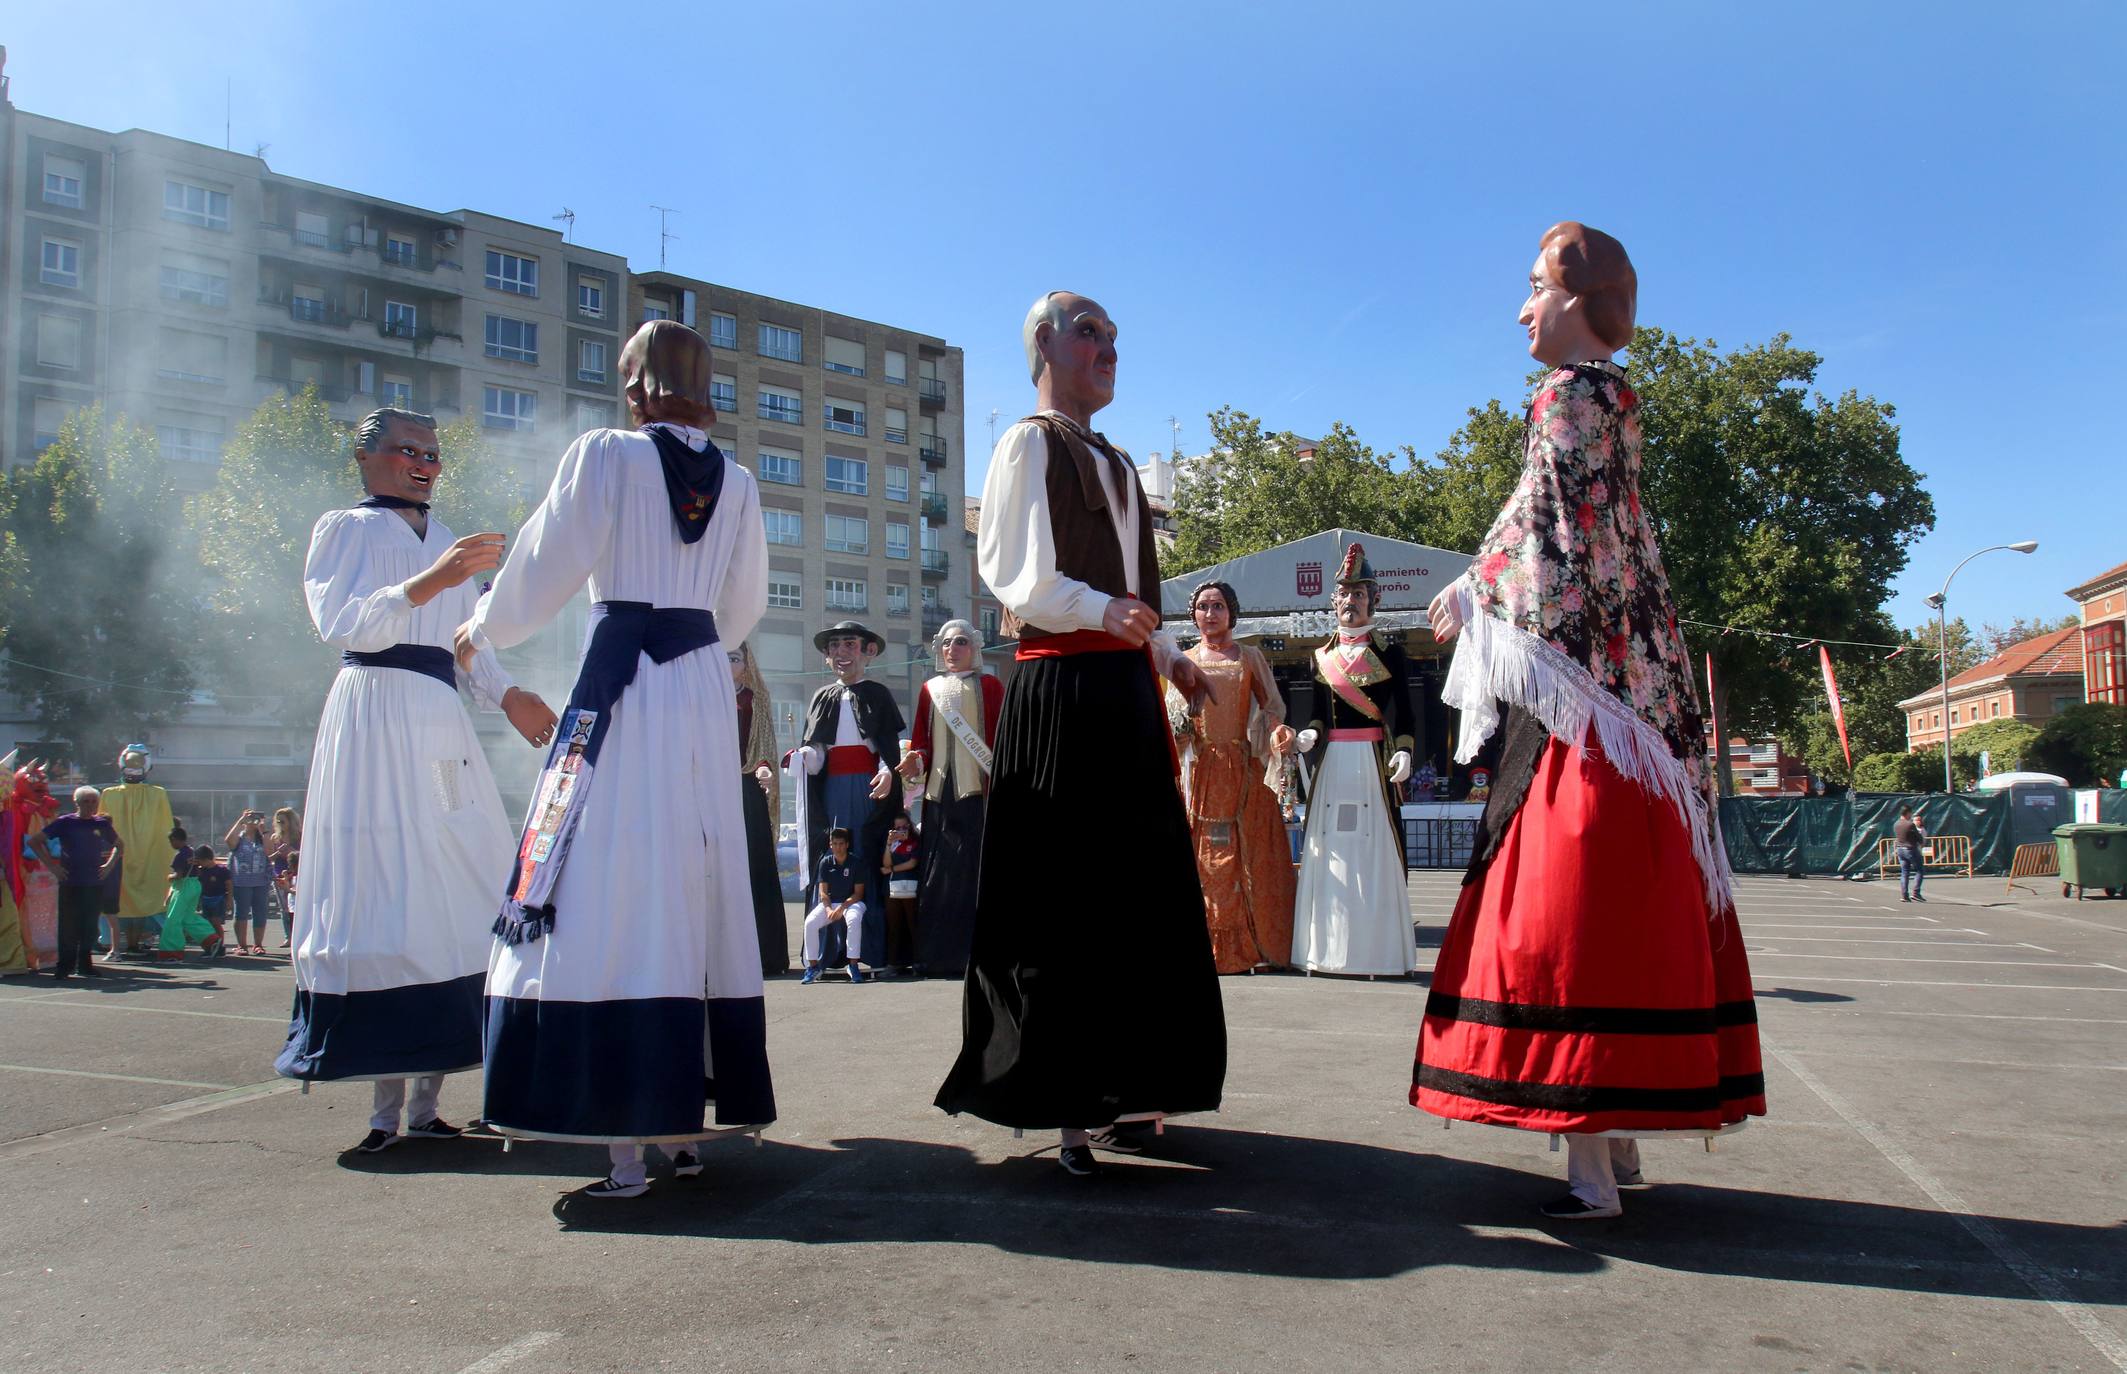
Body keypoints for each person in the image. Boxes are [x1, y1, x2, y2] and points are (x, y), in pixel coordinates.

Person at [1413, 223, 1764, 1219]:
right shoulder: (1616, 400)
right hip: (1640, 692)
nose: (1521, 307)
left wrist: (1477, 598)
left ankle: (1589, 1160)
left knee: (1555, 906)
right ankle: (1615, 1139)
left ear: (1574, 294)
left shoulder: (1567, 395)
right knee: (1621, 893)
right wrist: (1475, 576)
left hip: (1590, 692)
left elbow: (1557, 547)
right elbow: (1551, 523)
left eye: (1533, 285)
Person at [463, 319, 775, 1199]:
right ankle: (683, 1126)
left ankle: (624, 1146)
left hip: (627, 688)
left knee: (601, 878)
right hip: (698, 684)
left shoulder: (606, 454)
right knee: (689, 878)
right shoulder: (743, 483)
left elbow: (538, 570)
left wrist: (483, 629)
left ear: (635, 387)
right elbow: (741, 607)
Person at [935, 291, 1226, 1176]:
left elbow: (1134, 589)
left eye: (1112, 336)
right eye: (1087, 331)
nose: (1106, 346)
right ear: (1043, 345)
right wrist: (1108, 613)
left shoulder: (1119, 460)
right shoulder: (1028, 441)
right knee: (1062, 893)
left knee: (1136, 892)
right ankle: (1064, 1104)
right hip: (1059, 685)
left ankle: (1129, 1089)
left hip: (1123, 689)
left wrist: (1171, 655)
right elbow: (1015, 576)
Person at [276, 406, 551, 1156]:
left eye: (431, 452)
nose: (423, 462)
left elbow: (468, 643)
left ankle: (432, 1102)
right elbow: (346, 625)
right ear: (365, 457)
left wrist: (510, 694)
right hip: (373, 713)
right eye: (406, 450)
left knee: (463, 874)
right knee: (383, 879)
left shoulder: (446, 538)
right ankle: (382, 1113)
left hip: (438, 718)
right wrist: (431, 580)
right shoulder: (348, 528)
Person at [1290, 544, 1419, 977]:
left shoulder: (1390, 654)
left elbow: (1406, 713)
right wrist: (1310, 732)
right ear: (1333, 602)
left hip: (1372, 766)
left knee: (1373, 850)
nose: (1351, 601)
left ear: (1373, 599)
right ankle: (1325, 952)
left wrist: (1403, 748)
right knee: (1333, 853)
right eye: (1344, 594)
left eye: (1359, 594)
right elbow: (1317, 715)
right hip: (1334, 769)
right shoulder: (1320, 657)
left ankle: (1376, 951)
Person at [1169, 581, 1299, 975]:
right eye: (1204, 606)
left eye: (1219, 606)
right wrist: (1180, 729)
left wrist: (1278, 731)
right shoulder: (1183, 659)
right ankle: (1207, 945)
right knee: (1206, 858)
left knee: (1252, 854)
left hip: (1242, 768)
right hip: (1201, 771)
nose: (1211, 613)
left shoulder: (1250, 657)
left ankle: (1253, 944)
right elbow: (1173, 718)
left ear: (1232, 613)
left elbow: (1272, 707)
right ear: (1193, 615)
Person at [787, 621, 904, 976]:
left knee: (865, 859)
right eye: (834, 646)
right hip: (834, 792)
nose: (841, 652)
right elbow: (819, 752)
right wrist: (804, 756)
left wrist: (887, 771)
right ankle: (827, 953)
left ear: (867, 651)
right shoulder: (821, 697)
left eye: (849, 644)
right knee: (833, 861)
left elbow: (886, 746)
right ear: (826, 657)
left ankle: (872, 950)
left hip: (867, 791)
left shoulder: (879, 694)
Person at [896, 617, 1003, 978]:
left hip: (977, 794)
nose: (952, 649)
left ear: (974, 648)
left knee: (974, 873)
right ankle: (937, 954)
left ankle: (977, 953)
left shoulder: (990, 686)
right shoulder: (929, 689)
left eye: (960, 642)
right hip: (939, 796)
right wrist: (915, 758)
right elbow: (922, 744)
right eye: (946, 643)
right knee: (938, 875)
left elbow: (1003, 740)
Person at [730, 643, 790, 976]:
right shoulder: (702, 694)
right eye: (723, 657)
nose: (729, 664)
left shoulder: (754, 698)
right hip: (710, 787)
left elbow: (764, 741)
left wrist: (764, 767)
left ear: (746, 664)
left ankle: (764, 953)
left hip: (745, 785)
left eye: (735, 658)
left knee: (754, 864)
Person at [38, 785, 121, 979]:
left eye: (94, 802)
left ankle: (85, 965)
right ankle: (64, 966)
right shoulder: (65, 822)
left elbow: (119, 845)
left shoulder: (101, 824)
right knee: (68, 925)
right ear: (77, 803)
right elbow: (35, 841)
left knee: (89, 925)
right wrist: (52, 866)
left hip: (93, 883)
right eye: (86, 801)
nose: (91, 805)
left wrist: (108, 866)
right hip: (70, 881)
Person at [99, 745, 173, 957]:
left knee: (121, 898)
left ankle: (118, 942)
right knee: (142, 896)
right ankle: (124, 942)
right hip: (138, 859)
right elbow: (166, 831)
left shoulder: (110, 795)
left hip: (119, 859)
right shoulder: (157, 794)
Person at [0, 754, 59, 976]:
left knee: (47, 910)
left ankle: (45, 955)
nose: (41, 784)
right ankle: (29, 954)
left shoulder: (46, 809)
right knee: (22, 911)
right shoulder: (13, 809)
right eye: (34, 780)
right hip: (26, 869)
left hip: (46, 870)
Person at [801, 828, 869, 985]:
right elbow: (823, 893)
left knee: (853, 919)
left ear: (847, 845)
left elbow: (858, 893)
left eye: (841, 844)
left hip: (853, 903)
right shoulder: (825, 862)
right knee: (810, 923)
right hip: (830, 905)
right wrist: (829, 909)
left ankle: (853, 966)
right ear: (830, 845)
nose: (838, 847)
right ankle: (813, 967)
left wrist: (842, 908)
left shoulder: (855, 862)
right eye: (835, 844)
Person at [224, 811, 275, 955]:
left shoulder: (263, 837)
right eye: (251, 819)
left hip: (261, 881)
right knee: (241, 913)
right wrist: (241, 820)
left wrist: (263, 829)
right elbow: (229, 841)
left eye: (256, 819)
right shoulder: (239, 838)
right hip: (241, 881)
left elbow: (270, 852)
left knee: (260, 913)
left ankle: (258, 944)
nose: (253, 821)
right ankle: (242, 945)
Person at [155, 848, 221, 960]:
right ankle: (211, 940)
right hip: (194, 885)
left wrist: (169, 877)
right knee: (188, 918)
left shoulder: (181, 855)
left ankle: (172, 952)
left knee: (173, 919)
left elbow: (179, 876)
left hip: (184, 887)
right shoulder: (191, 853)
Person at [880, 813, 920, 975]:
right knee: (894, 927)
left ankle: (919, 962)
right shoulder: (893, 843)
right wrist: (889, 844)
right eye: (897, 828)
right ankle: (893, 964)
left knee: (913, 926)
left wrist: (892, 869)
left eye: (904, 827)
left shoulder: (915, 841)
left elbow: (913, 862)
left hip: (910, 887)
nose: (901, 831)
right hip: (893, 888)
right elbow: (886, 863)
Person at [268, 808, 300, 947]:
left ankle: (298, 934)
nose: (280, 823)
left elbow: (303, 854)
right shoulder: (275, 838)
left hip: (295, 875)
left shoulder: (299, 836)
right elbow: (268, 858)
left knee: (297, 906)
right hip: (280, 875)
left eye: (283, 820)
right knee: (284, 908)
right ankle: (288, 936)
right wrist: (278, 852)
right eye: (278, 820)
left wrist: (290, 851)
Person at [191, 843, 231, 953]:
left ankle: (220, 946)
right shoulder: (200, 870)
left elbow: (229, 884)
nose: (199, 864)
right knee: (207, 924)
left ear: (207, 859)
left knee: (216, 922)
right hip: (205, 899)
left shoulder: (221, 870)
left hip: (218, 899)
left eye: (200, 861)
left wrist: (229, 900)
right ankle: (211, 945)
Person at [1894, 805, 1927, 903]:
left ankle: (1904, 895)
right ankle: (1916, 893)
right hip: (1910, 849)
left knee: (1904, 872)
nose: (1911, 815)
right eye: (1910, 813)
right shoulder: (1910, 824)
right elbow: (1918, 837)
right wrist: (1921, 841)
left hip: (1900, 849)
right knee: (1920, 870)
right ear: (1908, 813)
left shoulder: (1896, 824)